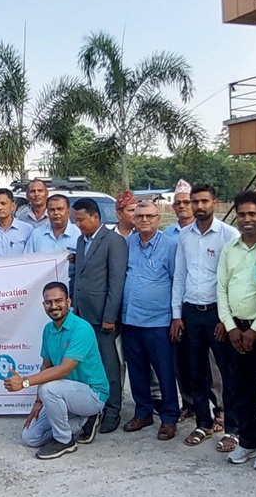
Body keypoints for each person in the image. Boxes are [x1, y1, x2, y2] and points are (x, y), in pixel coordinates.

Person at [5, 282, 107, 459]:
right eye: (48, 302)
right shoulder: (48, 330)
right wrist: (38, 402)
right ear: (43, 305)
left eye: (58, 300)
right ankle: (84, 422)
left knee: (49, 388)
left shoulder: (81, 329)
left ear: (68, 302)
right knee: (30, 437)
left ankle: (65, 441)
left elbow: (64, 369)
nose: (53, 306)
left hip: (92, 395)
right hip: (66, 394)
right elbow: (46, 365)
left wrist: (24, 382)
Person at [172, 184, 240, 450]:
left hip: (218, 313)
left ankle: (233, 428)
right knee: (196, 371)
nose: (199, 206)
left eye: (204, 201)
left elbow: (233, 280)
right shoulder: (185, 236)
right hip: (191, 312)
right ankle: (203, 423)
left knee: (227, 372)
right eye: (195, 202)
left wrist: (226, 318)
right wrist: (177, 314)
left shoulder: (228, 235)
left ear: (215, 202)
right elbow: (180, 275)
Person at [217, 192, 256, 470]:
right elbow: (221, 289)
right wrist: (231, 327)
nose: (246, 219)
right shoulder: (229, 249)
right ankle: (247, 442)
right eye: (242, 214)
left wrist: (254, 329)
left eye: (252, 214)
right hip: (235, 331)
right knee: (240, 388)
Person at [120, 201, 181, 440]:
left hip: (159, 322)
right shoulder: (128, 244)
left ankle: (169, 417)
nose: (144, 220)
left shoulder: (170, 246)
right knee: (137, 372)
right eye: (140, 216)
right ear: (133, 219)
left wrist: (176, 317)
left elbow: (178, 282)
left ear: (158, 219)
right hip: (131, 320)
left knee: (164, 372)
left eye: (150, 216)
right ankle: (143, 412)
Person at [70, 197, 129, 433]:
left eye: (81, 220)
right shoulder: (80, 241)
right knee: (88, 365)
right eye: (76, 220)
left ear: (95, 217)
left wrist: (110, 316)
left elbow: (116, 281)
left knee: (109, 366)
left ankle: (113, 411)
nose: (78, 224)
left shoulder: (114, 241)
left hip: (103, 317)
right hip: (82, 315)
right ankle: (94, 407)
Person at [163, 179, 197, 422]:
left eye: (186, 202)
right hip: (176, 303)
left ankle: (219, 409)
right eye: (178, 203)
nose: (182, 206)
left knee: (207, 361)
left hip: (200, 301)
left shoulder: (204, 230)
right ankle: (189, 403)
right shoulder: (168, 234)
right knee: (181, 359)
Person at [0, 188, 33, 257]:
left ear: (12, 206)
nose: (0, 207)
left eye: (3, 204)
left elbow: (32, 256)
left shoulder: (27, 229)